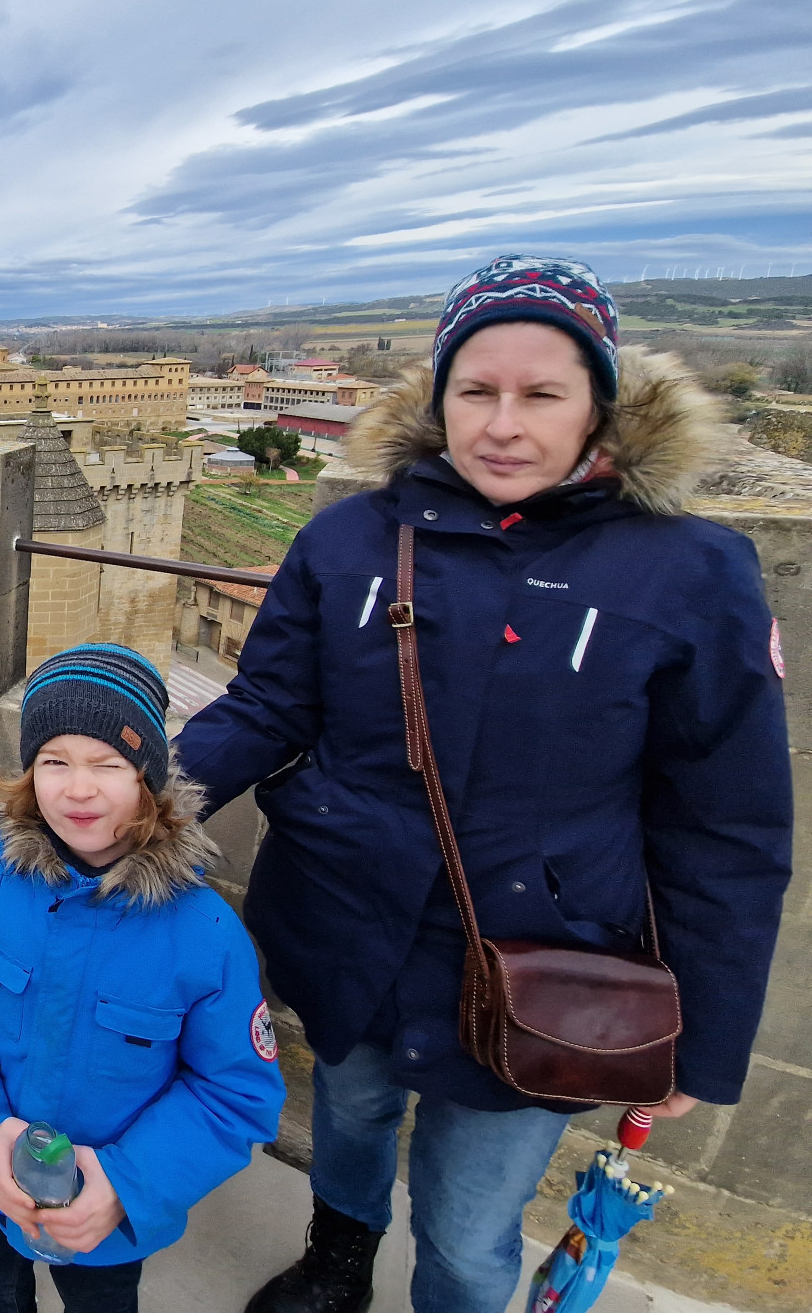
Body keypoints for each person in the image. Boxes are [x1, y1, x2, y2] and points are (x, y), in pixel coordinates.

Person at [175, 255, 793, 1313]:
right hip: (347, 928)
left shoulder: (689, 573)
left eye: (540, 393)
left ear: (599, 401)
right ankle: (337, 1263)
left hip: (540, 967)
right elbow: (268, 707)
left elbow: (722, 826)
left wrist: (712, 1030)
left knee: (466, 1231)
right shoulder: (349, 540)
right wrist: (136, 802)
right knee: (351, 1119)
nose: (502, 424)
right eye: (476, 390)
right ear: (439, 398)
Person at [0, 644, 286, 1313]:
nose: (77, 790)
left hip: (107, 1215)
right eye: (54, 762)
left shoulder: (204, 936)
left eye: (107, 764)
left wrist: (124, 1186)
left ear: (148, 778)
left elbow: (235, 1094)